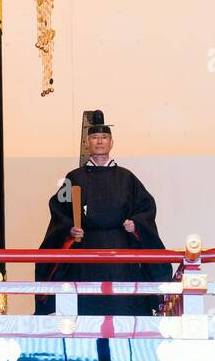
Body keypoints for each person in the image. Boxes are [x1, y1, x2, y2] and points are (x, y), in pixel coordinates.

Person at [35, 112, 173, 315]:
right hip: (85, 253)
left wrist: (136, 223)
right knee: (84, 312)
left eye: (104, 137)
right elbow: (59, 211)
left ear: (111, 143)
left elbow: (146, 207)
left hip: (120, 254)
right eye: (94, 137)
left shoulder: (127, 177)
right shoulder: (73, 177)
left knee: (124, 309)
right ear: (87, 143)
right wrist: (69, 230)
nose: (99, 141)